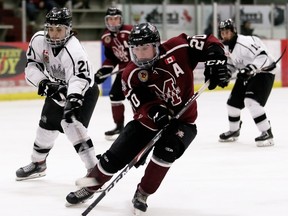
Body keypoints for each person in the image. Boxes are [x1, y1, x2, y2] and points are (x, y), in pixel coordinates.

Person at [69, 22, 231, 212]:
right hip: (148, 122)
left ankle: (143, 192)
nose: (140, 54)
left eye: (145, 48)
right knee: (114, 156)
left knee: (165, 154)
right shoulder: (130, 73)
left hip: (183, 121)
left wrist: (215, 59)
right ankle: (90, 185)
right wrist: (154, 111)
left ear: (156, 45)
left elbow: (209, 42)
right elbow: (139, 101)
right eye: (135, 49)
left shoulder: (177, 47)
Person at [15, 7, 99, 204]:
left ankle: (95, 171)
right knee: (45, 126)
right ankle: (38, 164)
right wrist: (44, 83)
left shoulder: (74, 49)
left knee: (71, 125)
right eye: (51, 29)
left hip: (83, 91)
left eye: (58, 29)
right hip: (57, 88)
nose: (53, 34)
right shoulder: (38, 39)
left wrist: (73, 99)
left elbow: (80, 78)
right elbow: (31, 65)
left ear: (68, 29)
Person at [218, 18, 276, 147]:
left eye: (227, 32)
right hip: (247, 73)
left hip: (264, 72)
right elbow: (232, 65)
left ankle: (267, 132)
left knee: (252, 102)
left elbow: (263, 56)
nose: (224, 35)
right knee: (232, 104)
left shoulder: (245, 42)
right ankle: (234, 131)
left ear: (234, 31)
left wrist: (250, 69)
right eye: (222, 32)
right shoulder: (226, 46)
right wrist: (226, 75)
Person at [93, 7, 133, 140]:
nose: (113, 22)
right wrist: (104, 71)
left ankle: (145, 124)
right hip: (123, 73)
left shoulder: (130, 31)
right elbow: (111, 58)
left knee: (137, 97)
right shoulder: (106, 37)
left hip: (137, 71)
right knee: (115, 95)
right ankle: (119, 126)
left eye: (116, 19)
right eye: (110, 19)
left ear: (121, 20)